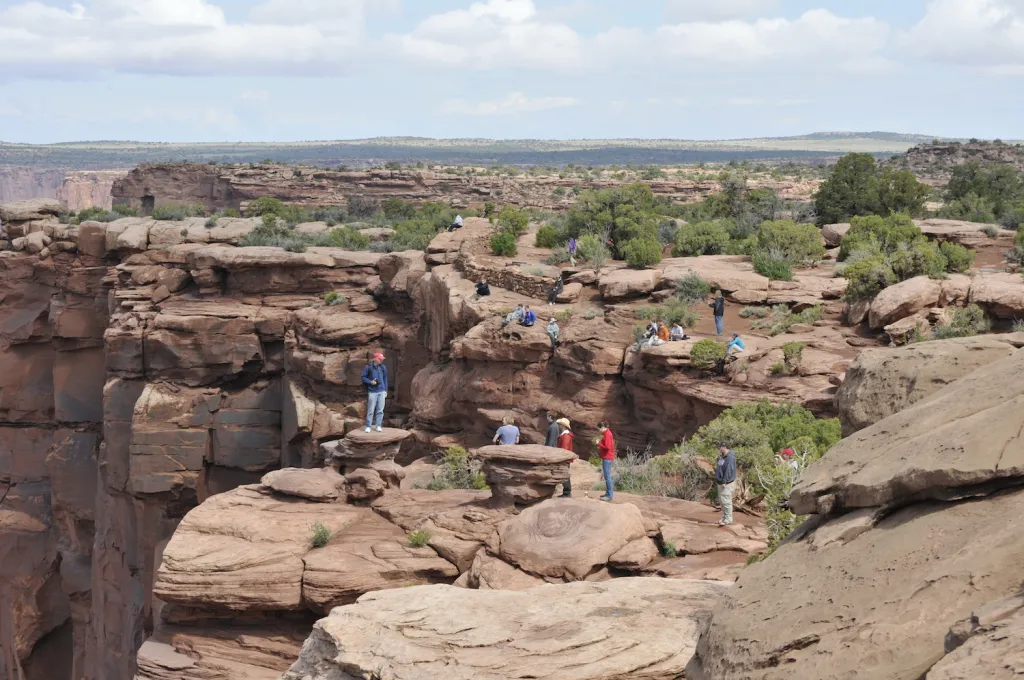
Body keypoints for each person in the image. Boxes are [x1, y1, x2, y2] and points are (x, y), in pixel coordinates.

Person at [360, 352, 388, 433]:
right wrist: (370, 382)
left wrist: (385, 390)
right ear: (375, 358)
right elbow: (363, 377)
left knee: (380, 410)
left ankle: (378, 425)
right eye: (380, 359)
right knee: (371, 410)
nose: (381, 360)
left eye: (382, 359)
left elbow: (385, 378)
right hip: (372, 391)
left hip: (381, 391)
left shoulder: (383, 367)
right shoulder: (368, 367)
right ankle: (368, 426)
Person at [715, 445, 737, 526]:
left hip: (726, 483)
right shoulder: (722, 456)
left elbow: (729, 470)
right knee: (722, 501)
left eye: (720, 447)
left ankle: (728, 519)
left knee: (726, 501)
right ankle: (724, 518)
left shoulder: (730, 457)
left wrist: (724, 481)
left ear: (724, 447)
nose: (719, 449)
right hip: (720, 482)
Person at [556, 418, 574, 498]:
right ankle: (566, 491)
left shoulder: (566, 436)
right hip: (565, 458)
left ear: (563, 426)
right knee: (564, 474)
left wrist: (561, 457)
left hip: (564, 459)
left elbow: (564, 448)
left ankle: (567, 492)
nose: (559, 426)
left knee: (564, 474)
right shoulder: (565, 435)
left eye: (560, 424)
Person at [597, 422, 616, 501]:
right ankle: (608, 493)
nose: (599, 431)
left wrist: (599, 443)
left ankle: (609, 495)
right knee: (607, 476)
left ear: (602, 427)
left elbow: (607, 447)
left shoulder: (607, 434)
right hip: (607, 457)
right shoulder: (607, 433)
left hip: (607, 457)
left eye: (599, 429)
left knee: (607, 477)